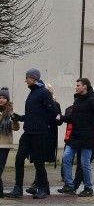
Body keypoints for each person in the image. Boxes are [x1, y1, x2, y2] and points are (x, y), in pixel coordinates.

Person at [7, 69, 59, 199]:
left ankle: (42, 188)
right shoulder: (33, 93)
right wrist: (20, 118)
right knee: (19, 159)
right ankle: (18, 188)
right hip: (28, 132)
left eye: (27, 78)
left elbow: (53, 112)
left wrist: (43, 124)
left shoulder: (43, 93)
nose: (25, 80)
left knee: (38, 162)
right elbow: (34, 114)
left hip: (39, 133)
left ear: (33, 78)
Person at [56, 78, 94, 197]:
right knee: (66, 157)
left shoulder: (93, 101)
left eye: (78, 85)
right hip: (75, 136)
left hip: (87, 137)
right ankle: (69, 185)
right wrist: (62, 118)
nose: (76, 87)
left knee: (84, 163)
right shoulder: (77, 101)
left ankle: (88, 187)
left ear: (85, 86)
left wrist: (90, 125)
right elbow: (73, 118)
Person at [0, 88, 18, 198]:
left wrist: (14, 119)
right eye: (0, 98)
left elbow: (15, 128)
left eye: (3, 98)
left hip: (4, 144)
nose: (1, 100)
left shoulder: (10, 112)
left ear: (7, 100)